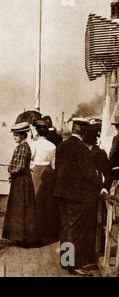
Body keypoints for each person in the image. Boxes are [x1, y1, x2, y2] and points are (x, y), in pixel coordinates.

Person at [54, 117, 98, 276]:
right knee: (75, 229)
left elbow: (57, 169)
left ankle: (66, 260)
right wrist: (97, 174)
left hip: (61, 193)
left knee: (65, 227)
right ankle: (73, 264)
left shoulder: (61, 146)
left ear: (73, 129)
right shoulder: (82, 149)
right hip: (75, 196)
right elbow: (88, 174)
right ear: (84, 132)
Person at [2, 122, 39, 247]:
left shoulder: (23, 147)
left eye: (17, 135)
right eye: (14, 135)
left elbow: (19, 166)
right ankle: (20, 236)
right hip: (20, 180)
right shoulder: (21, 147)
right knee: (20, 208)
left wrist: (10, 171)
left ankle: (23, 237)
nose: (15, 137)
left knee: (21, 208)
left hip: (22, 181)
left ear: (23, 135)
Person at [83, 120, 112, 267]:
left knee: (92, 224)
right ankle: (83, 257)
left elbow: (108, 173)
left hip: (91, 194)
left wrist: (104, 188)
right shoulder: (90, 152)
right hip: (84, 194)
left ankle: (82, 257)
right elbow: (108, 173)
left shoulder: (97, 154)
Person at [30, 120, 61, 245]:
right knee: (48, 201)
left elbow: (31, 158)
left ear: (37, 132)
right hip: (48, 171)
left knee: (36, 198)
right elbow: (54, 163)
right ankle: (48, 230)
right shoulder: (52, 146)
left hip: (38, 170)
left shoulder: (35, 144)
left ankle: (36, 230)